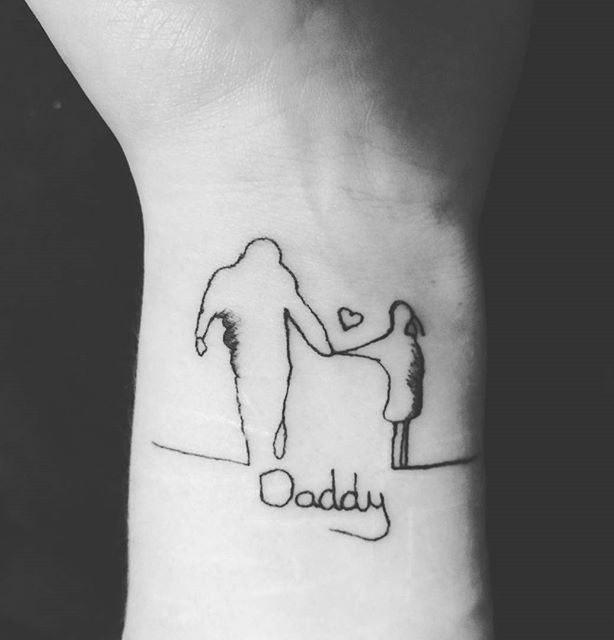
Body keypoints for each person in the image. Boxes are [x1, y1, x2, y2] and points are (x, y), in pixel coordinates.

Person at [21, 1, 531, 638]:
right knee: (269, 399)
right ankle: (272, 437)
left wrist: (270, 163)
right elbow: (281, 318)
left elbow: (242, 313)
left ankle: (268, 439)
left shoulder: (252, 276)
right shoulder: (268, 276)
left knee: (260, 400)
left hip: (241, 367)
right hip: (263, 362)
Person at [194, 237, 332, 465]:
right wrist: (322, 345)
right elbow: (304, 316)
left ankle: (260, 452)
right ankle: (269, 443)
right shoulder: (278, 278)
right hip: (272, 359)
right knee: (271, 402)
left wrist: (200, 337)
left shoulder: (229, 278)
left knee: (252, 402)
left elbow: (206, 311)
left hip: (250, 359)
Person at [342, 301, 425, 469]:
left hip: (401, 395)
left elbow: (365, 349)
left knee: (399, 429)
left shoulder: (391, 343)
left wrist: (342, 351)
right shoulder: (412, 343)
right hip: (411, 395)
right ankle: (399, 462)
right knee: (403, 429)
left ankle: (397, 463)